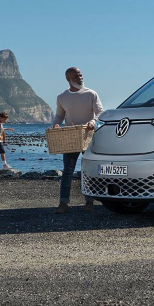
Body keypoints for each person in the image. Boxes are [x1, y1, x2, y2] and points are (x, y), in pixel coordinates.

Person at [49, 66, 104, 214]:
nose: (80, 78)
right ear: (68, 80)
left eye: (80, 75)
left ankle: (89, 202)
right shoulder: (62, 97)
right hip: (71, 137)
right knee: (68, 170)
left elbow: (100, 113)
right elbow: (59, 116)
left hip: (88, 136)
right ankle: (63, 203)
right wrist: (55, 124)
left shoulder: (91, 94)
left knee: (88, 170)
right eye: (76, 76)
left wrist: (93, 122)